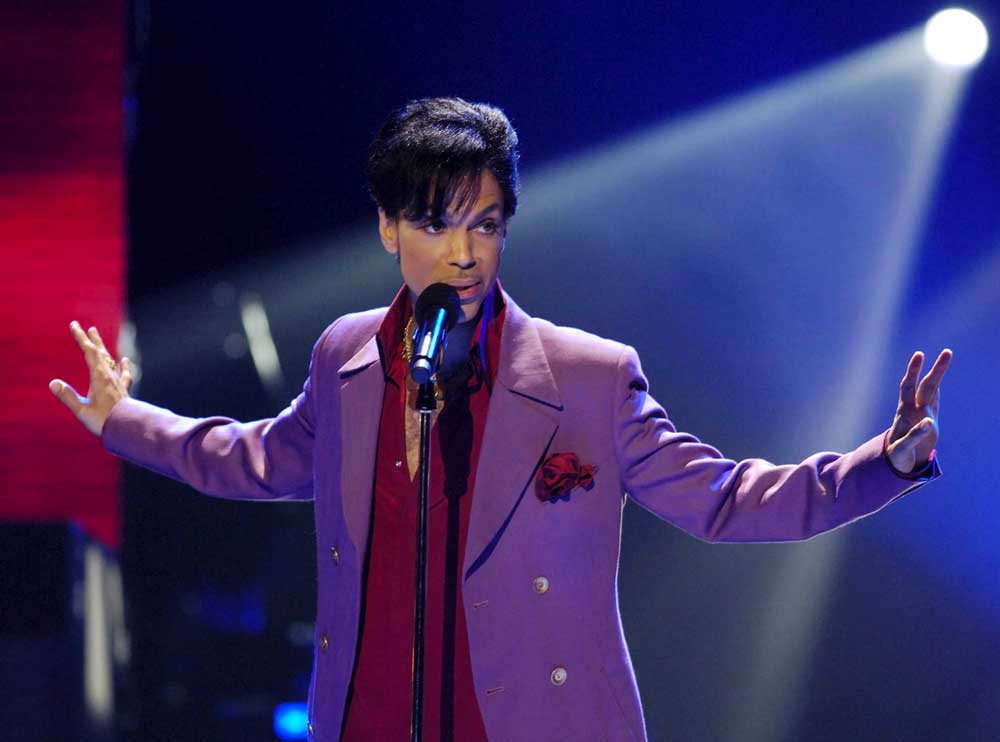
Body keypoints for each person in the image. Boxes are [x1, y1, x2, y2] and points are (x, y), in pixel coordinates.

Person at [50, 97, 951, 742]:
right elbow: (254, 458)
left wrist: (886, 463)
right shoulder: (345, 357)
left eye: (485, 224)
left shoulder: (588, 377)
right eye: (438, 224)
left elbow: (724, 498)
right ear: (387, 228)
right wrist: (123, 419)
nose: (464, 252)